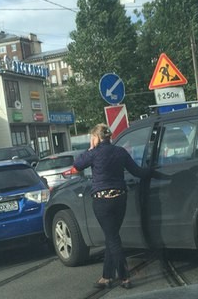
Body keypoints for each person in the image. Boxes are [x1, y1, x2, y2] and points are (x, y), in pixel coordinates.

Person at [73, 123, 149, 290]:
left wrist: (90, 148)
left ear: (97, 138)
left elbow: (78, 164)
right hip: (120, 199)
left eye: (92, 137)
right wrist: (154, 171)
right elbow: (137, 172)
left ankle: (124, 277)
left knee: (113, 238)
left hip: (102, 201)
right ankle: (106, 277)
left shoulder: (94, 153)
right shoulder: (120, 152)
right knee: (111, 236)